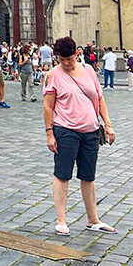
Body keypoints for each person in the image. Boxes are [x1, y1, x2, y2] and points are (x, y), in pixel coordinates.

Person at [43, 36, 115, 236]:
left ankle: (93, 219)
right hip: (66, 131)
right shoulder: (53, 75)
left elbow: (99, 98)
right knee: (62, 174)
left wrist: (108, 125)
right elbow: (48, 106)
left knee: (88, 175)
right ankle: (61, 220)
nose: (66, 63)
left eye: (69, 59)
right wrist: (50, 134)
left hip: (90, 131)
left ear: (77, 54)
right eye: (61, 59)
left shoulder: (89, 70)